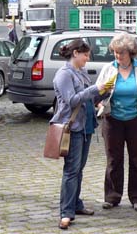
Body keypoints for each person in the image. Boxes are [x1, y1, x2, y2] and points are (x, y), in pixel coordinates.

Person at [51, 39, 109, 230]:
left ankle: (76, 204)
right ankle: (66, 212)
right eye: (85, 55)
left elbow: (89, 98)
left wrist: (103, 93)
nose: (87, 58)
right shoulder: (63, 75)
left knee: (79, 169)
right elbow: (72, 100)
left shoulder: (81, 72)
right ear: (75, 53)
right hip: (72, 128)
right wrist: (94, 88)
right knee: (71, 170)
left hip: (86, 126)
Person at [95, 32, 137, 213]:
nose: (118, 56)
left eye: (121, 53)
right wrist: (100, 101)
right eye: (115, 52)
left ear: (131, 52)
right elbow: (98, 91)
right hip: (112, 119)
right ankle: (112, 197)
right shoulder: (108, 69)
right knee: (113, 159)